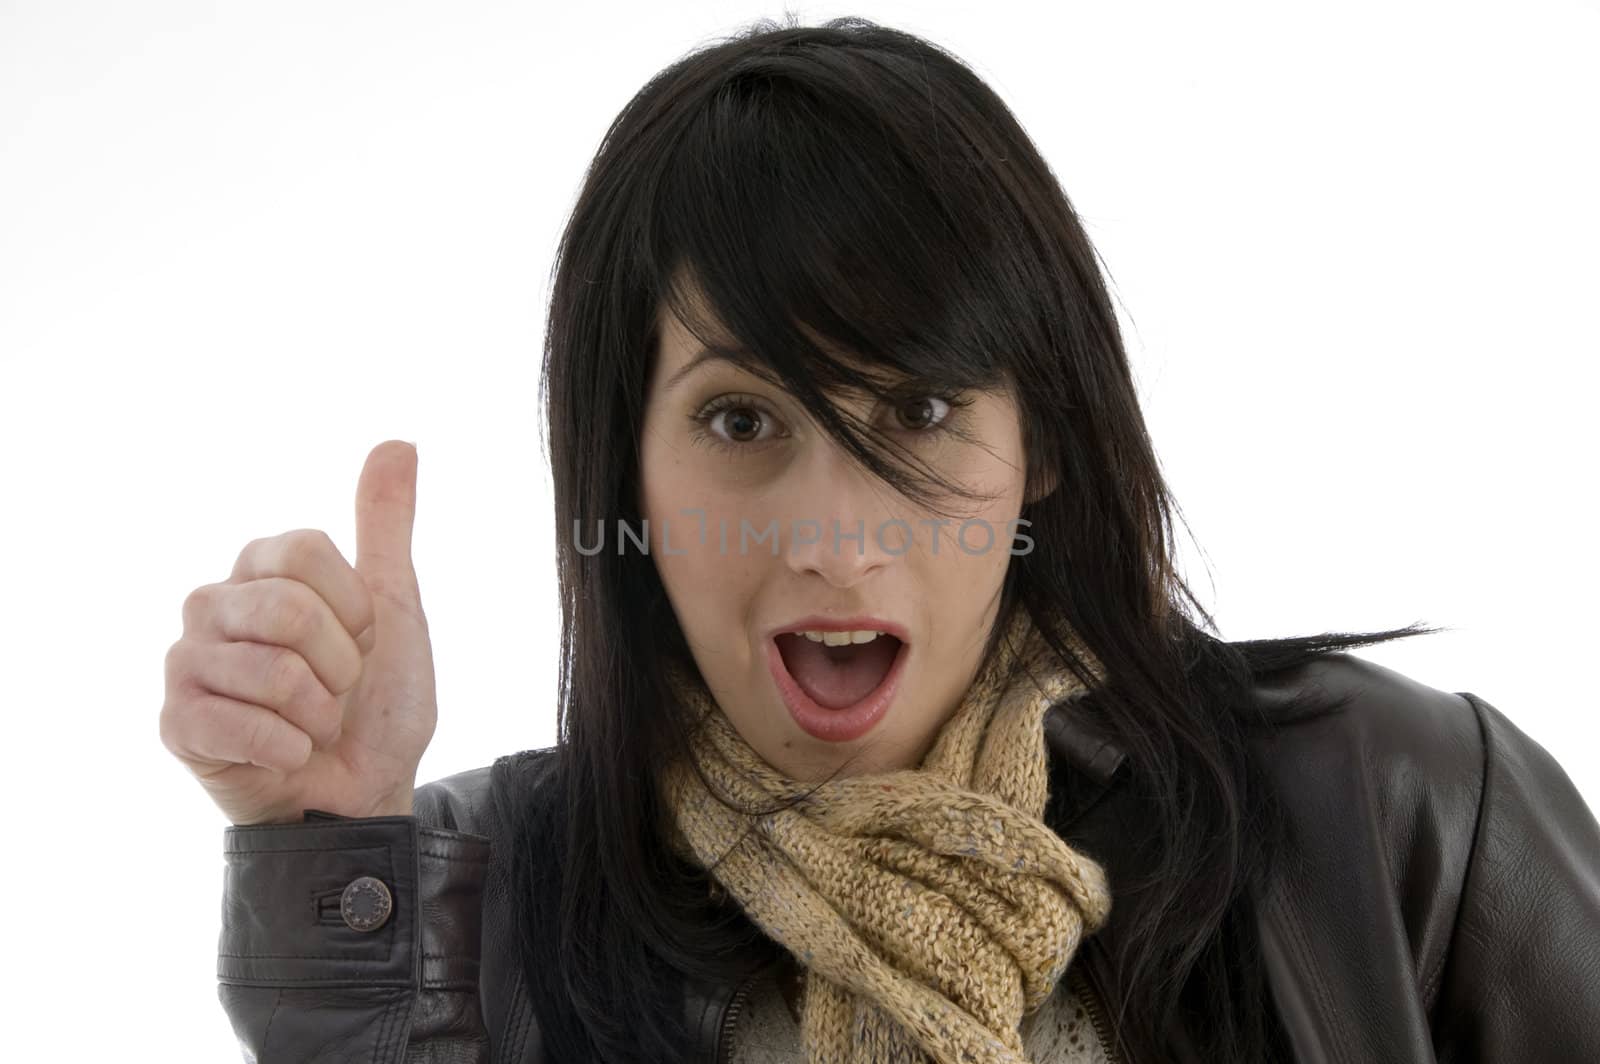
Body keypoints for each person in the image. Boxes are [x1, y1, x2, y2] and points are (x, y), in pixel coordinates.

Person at [159, 16, 1600, 1064]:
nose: (835, 541)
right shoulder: (485, 896)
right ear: (629, 473)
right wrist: (329, 848)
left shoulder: (1396, 813)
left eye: (915, 405)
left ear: (1038, 444)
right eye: (739, 423)